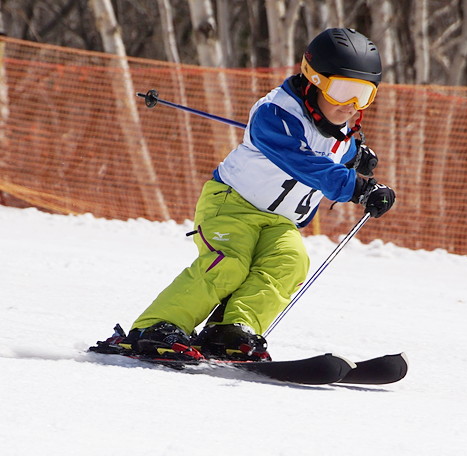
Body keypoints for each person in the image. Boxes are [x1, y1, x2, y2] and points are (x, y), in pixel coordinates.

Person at [118, 28, 396, 362]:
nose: (351, 106)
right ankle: (156, 327)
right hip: (232, 205)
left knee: (290, 262)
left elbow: (335, 144)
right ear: (315, 79)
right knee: (229, 264)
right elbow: (302, 161)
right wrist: (356, 186)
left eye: (363, 95)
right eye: (343, 92)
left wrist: (355, 154)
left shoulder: (341, 125)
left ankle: (231, 330)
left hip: (279, 221)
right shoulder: (275, 114)